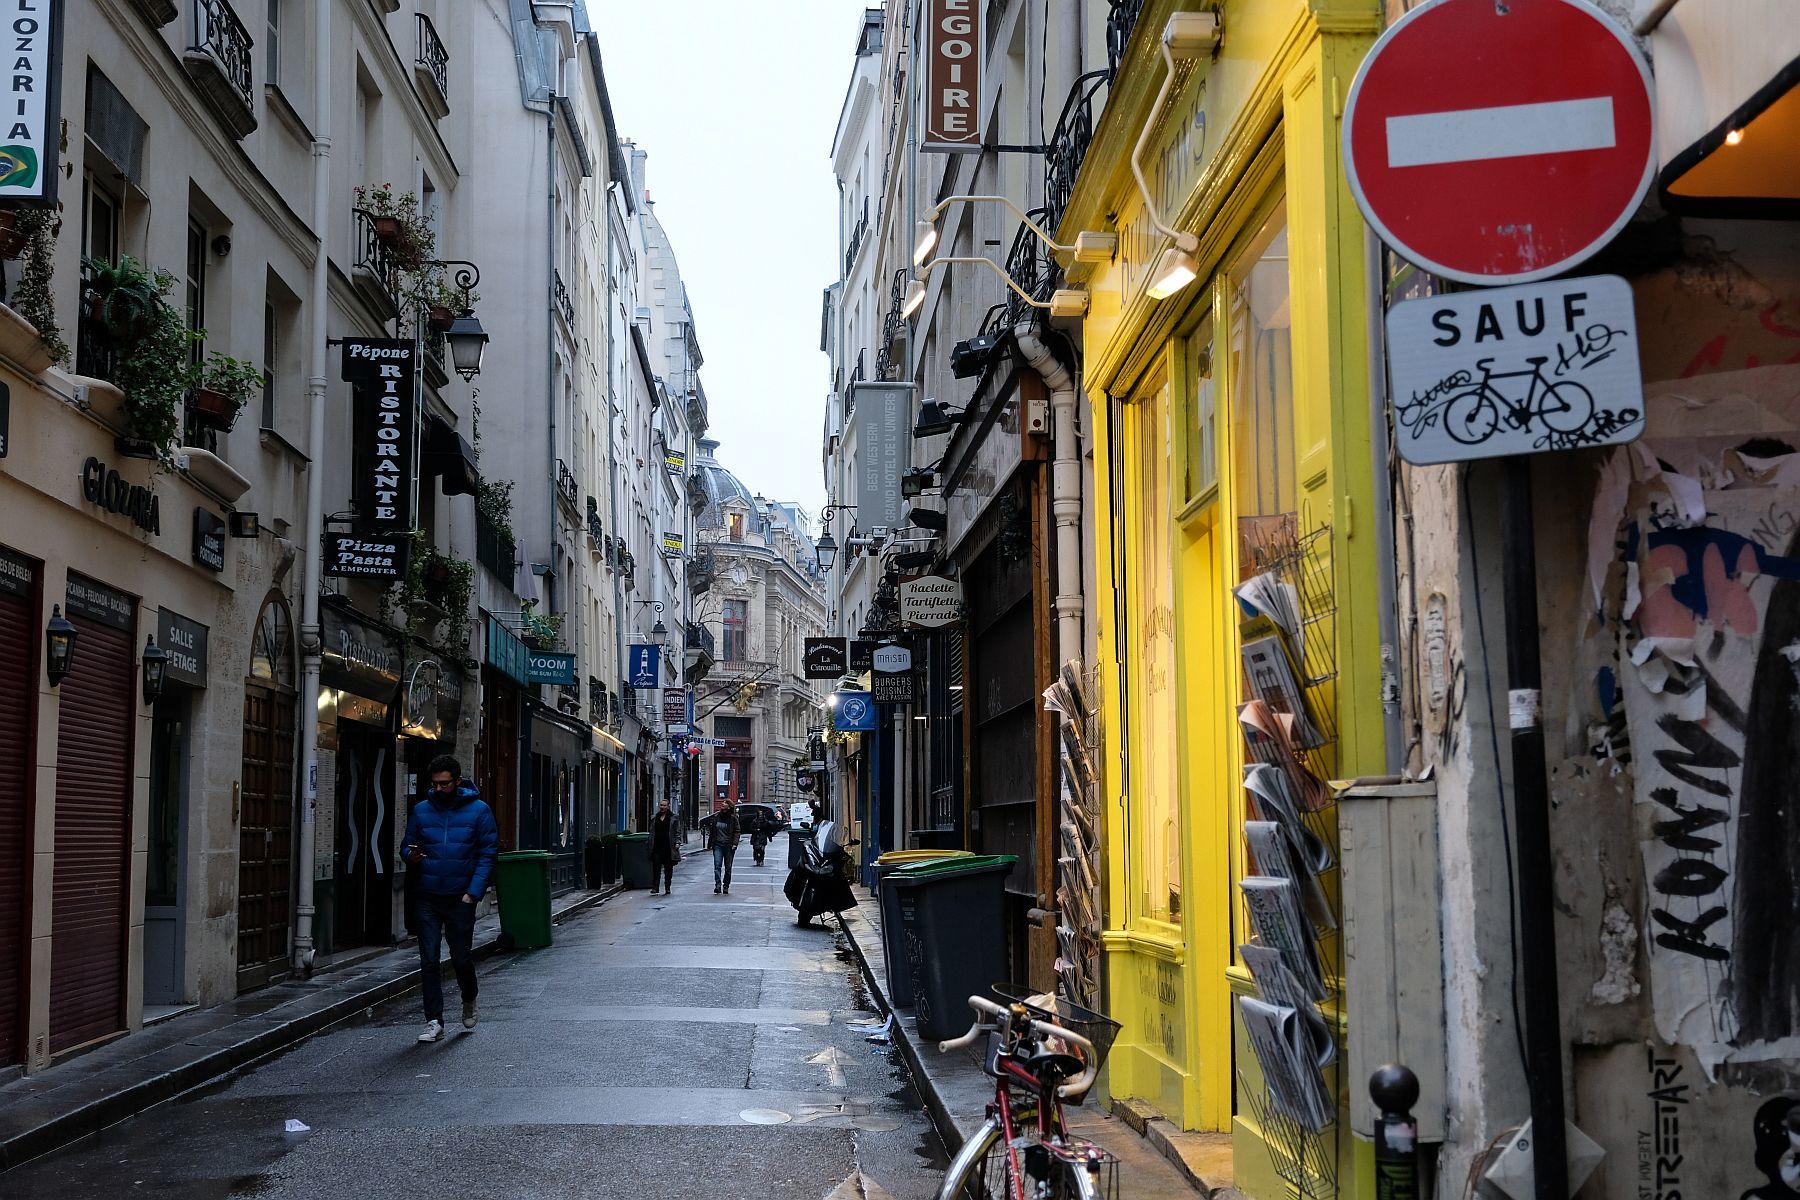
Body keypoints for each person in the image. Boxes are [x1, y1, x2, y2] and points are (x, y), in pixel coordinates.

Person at [401, 755, 498, 1043]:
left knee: (460, 958)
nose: (440, 789)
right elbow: (405, 846)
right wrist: (411, 855)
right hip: (427, 896)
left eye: (445, 784)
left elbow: (487, 853)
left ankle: (469, 997)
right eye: (435, 784)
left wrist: (473, 892)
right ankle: (434, 1021)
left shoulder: (479, 811)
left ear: (457, 781)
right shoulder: (421, 810)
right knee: (428, 959)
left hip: (460, 897)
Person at [707, 799, 741, 894]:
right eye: (723, 802)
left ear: (729, 806)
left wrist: (735, 844)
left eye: (725, 803)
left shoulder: (733, 818)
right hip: (717, 845)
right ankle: (718, 885)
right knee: (717, 866)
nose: (723, 804)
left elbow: (737, 831)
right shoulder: (717, 817)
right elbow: (712, 831)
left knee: (728, 867)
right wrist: (710, 844)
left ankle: (726, 885)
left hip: (728, 846)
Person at [648, 798, 679, 894]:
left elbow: (677, 831)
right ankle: (655, 887)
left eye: (664, 805)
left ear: (668, 806)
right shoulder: (655, 818)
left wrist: (677, 842)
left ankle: (667, 887)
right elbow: (651, 832)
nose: (662, 807)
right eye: (661, 805)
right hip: (657, 846)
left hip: (668, 847)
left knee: (668, 869)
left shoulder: (673, 818)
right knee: (656, 867)